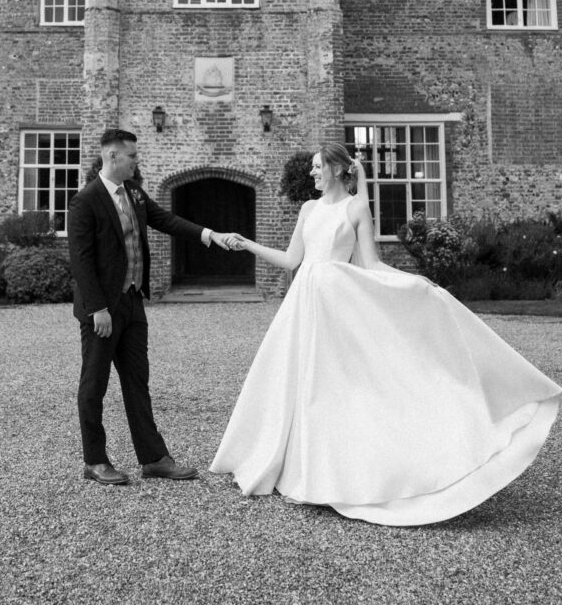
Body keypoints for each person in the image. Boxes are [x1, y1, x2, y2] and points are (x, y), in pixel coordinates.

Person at [211, 143, 561, 526]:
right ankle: (297, 469)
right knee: (295, 385)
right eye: (312, 167)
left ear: (337, 169)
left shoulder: (357, 208)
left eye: (316, 167)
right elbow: (293, 261)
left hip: (336, 308)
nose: (311, 173)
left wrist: (415, 281)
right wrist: (247, 245)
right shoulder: (308, 210)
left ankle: (336, 475)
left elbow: (372, 263)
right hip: (301, 307)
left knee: (331, 388)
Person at [68, 127, 234, 486]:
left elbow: (166, 221)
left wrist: (211, 235)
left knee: (137, 383)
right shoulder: (86, 201)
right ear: (112, 156)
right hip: (102, 311)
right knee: (93, 385)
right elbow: (80, 261)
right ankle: (94, 461)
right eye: (132, 156)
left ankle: (154, 458)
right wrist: (98, 309)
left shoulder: (135, 194)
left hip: (132, 303)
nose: (136, 162)